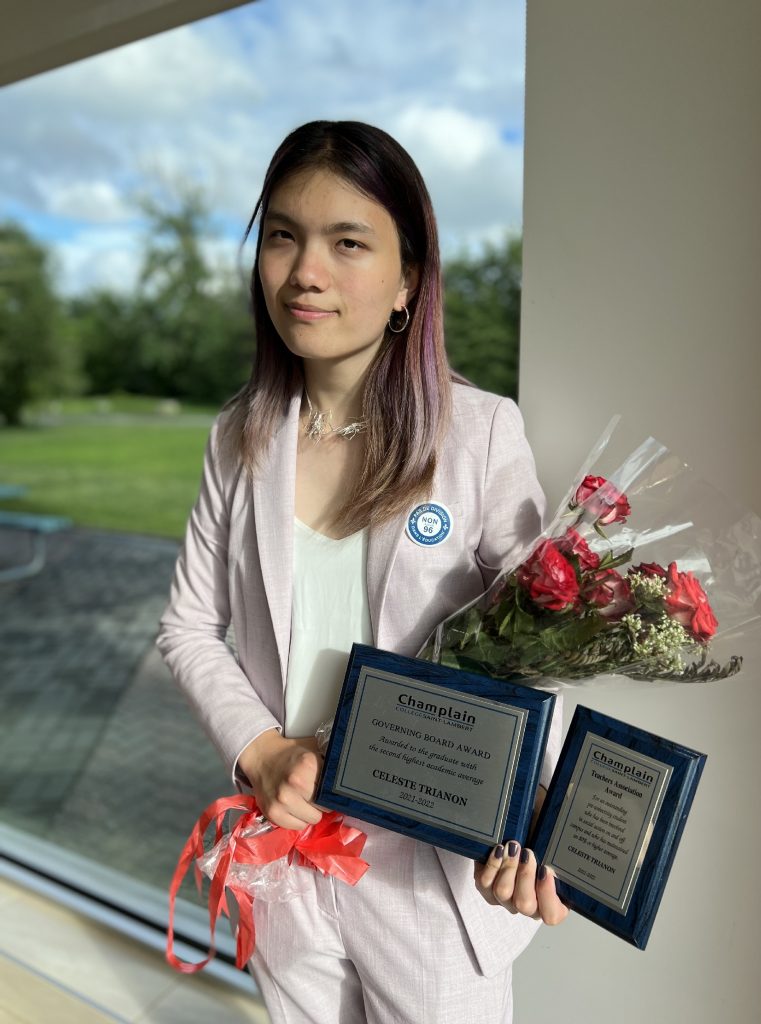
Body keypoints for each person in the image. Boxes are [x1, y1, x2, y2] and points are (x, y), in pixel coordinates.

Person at [157, 120, 567, 1024]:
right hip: (286, 848)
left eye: (348, 242)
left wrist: (540, 812)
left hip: (429, 867)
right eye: (281, 234)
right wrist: (261, 754)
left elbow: (539, 645)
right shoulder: (238, 437)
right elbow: (187, 625)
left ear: (407, 281)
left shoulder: (480, 433)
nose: (306, 271)